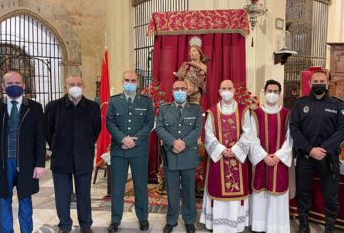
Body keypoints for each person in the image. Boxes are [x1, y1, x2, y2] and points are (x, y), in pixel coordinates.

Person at [0, 71, 46, 232]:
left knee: (25, 200)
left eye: (18, 83)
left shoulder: (34, 107)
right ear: (3, 86)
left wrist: (40, 164)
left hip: (26, 163)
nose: (14, 86)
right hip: (2, 163)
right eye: (10, 83)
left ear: (24, 85)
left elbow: (40, 138)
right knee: (4, 201)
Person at [290, 70, 344, 233]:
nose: (318, 84)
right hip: (305, 157)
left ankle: (329, 228)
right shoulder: (300, 104)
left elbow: (342, 131)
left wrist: (323, 149)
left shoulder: (338, 105)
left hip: (328, 157)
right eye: (315, 81)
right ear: (310, 83)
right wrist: (310, 149)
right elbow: (294, 129)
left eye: (322, 81)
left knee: (330, 196)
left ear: (327, 83)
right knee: (303, 193)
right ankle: (303, 226)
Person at [44, 75, 101, 233]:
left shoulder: (93, 107)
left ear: (84, 86)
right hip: (61, 157)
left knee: (84, 193)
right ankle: (64, 224)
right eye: (71, 84)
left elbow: (95, 130)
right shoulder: (53, 107)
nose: (75, 87)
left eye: (78, 84)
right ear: (65, 87)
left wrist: (84, 145)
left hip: (83, 156)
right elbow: (48, 131)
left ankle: (85, 224)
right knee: (62, 194)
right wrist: (57, 146)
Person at [199, 79, 252, 233]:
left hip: (237, 157)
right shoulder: (212, 111)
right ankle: (217, 223)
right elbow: (208, 135)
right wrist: (222, 149)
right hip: (219, 158)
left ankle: (236, 223)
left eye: (229, 88)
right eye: (224, 88)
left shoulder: (244, 111)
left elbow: (248, 134)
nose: (227, 91)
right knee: (217, 187)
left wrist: (235, 150)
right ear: (219, 91)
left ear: (234, 90)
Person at [106, 70, 154, 233]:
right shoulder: (114, 101)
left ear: (138, 83)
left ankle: (143, 218)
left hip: (139, 150)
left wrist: (134, 140)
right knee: (117, 187)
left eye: (133, 80)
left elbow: (149, 123)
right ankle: (115, 220)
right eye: (127, 80)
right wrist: (123, 139)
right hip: (119, 150)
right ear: (122, 81)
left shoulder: (146, 101)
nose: (130, 83)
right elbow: (110, 123)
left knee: (140, 186)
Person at [156, 80, 202, 233]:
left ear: (188, 91)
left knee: (189, 190)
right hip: (171, 155)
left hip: (188, 155)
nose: (180, 91)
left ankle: (189, 220)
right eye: (177, 89)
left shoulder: (195, 109)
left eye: (183, 88)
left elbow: (197, 129)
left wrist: (183, 144)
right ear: (172, 91)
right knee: (172, 190)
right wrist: (173, 142)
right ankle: (172, 219)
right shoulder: (164, 109)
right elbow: (160, 128)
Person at [249, 79, 293, 233]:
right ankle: (259, 226)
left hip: (279, 162)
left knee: (277, 195)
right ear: (264, 92)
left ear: (279, 94)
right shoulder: (256, 114)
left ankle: (277, 228)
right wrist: (264, 156)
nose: (272, 94)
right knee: (261, 193)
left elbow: (290, 139)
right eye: (270, 91)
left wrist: (278, 156)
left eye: (275, 92)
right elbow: (252, 138)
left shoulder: (287, 114)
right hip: (262, 160)